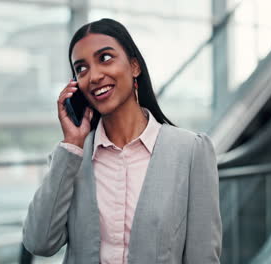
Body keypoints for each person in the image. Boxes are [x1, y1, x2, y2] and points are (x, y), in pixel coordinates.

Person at [22, 18, 222, 264]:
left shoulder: (190, 152)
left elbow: (203, 257)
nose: (94, 75)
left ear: (134, 66)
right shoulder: (72, 158)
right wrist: (72, 144)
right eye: (81, 68)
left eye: (105, 58)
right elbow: (39, 242)